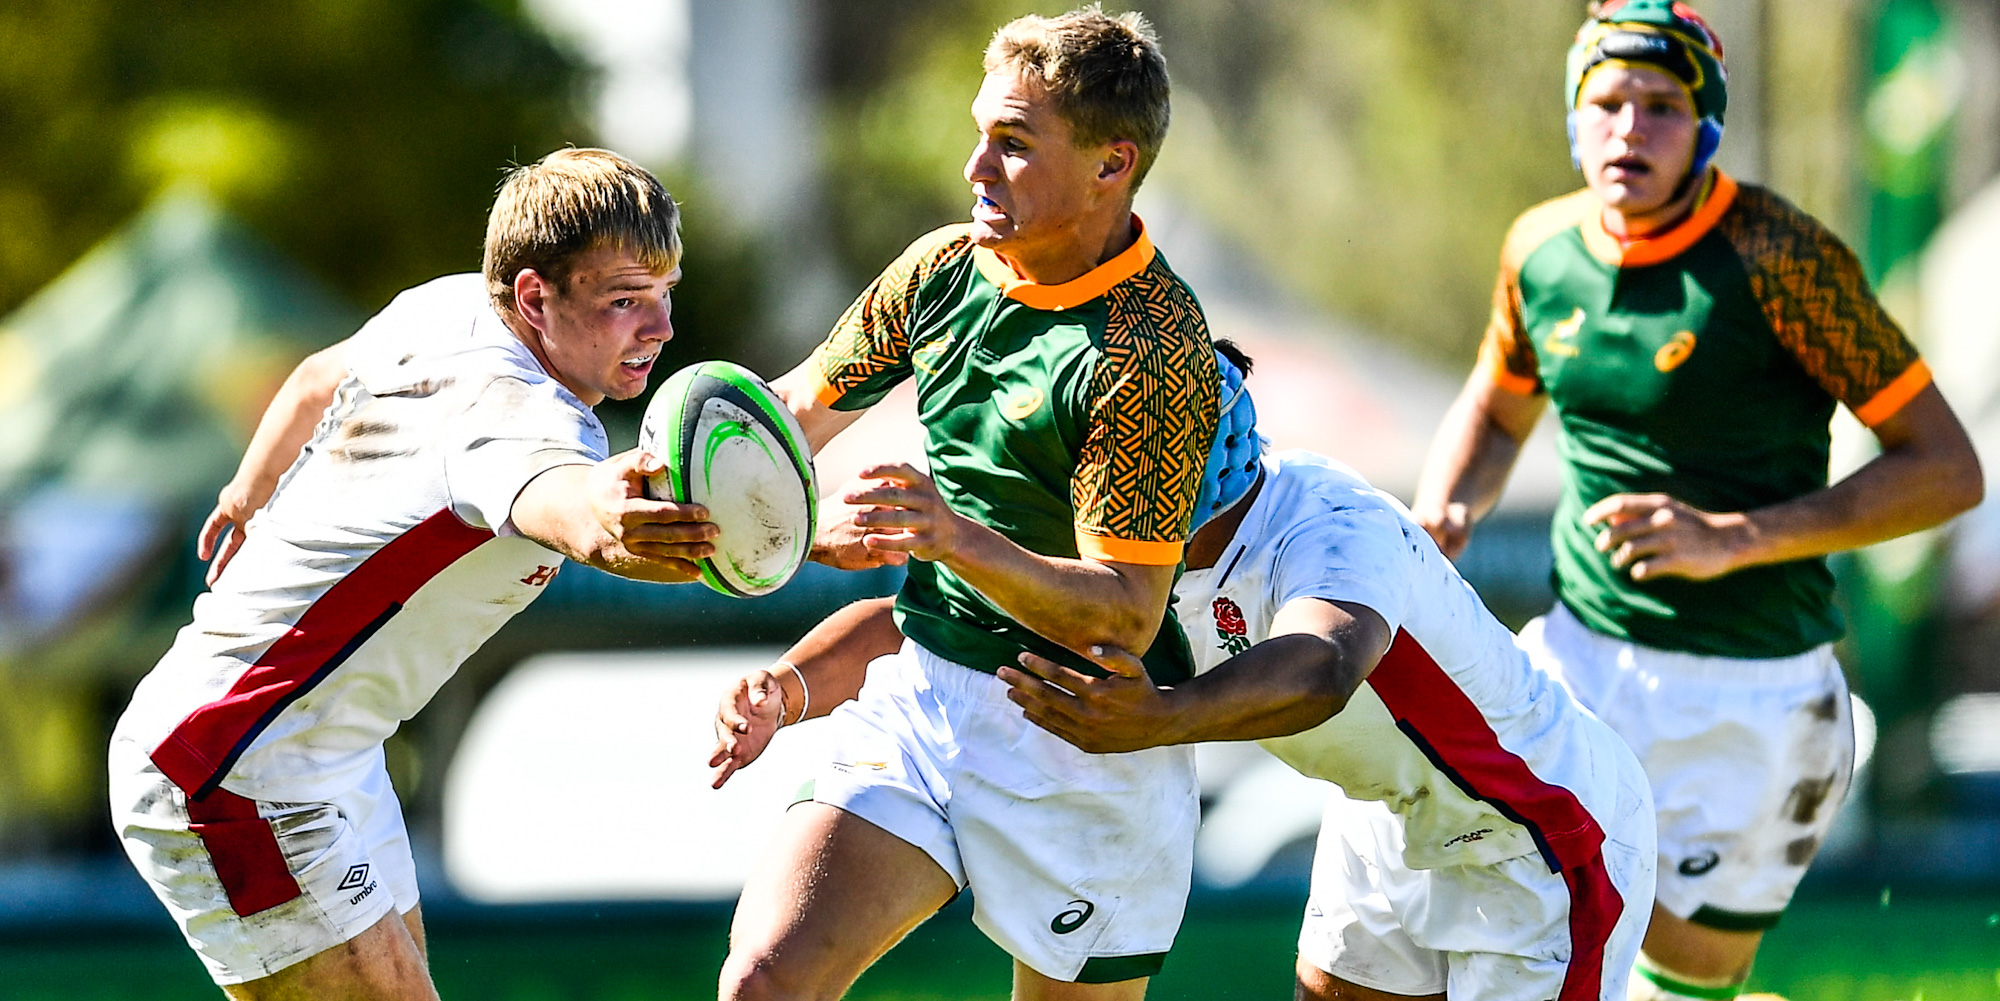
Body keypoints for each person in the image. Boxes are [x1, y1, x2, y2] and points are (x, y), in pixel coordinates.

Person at [717, 348, 1659, 1001]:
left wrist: (1158, 716)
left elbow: (1322, 666)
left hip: (1536, 828)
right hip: (1384, 814)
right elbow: (925, 625)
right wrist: (789, 688)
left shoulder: (1329, 520)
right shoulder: (1114, 550)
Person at [1411, 3, 1984, 999]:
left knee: (1682, 975)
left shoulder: (1782, 260)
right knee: (1521, 923)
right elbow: (1496, 410)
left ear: (1705, 125)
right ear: (1572, 116)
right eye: (1607, 102)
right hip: (1580, 657)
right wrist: (1444, 510)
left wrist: (1735, 537)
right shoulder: (1539, 249)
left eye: (1662, 106)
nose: (1629, 128)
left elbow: (1943, 466)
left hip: (1753, 692)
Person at [109, 147, 719, 999]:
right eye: (625, 300)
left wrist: (246, 494)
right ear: (536, 297)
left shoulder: (453, 304)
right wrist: (662, 529)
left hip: (328, 755)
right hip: (230, 768)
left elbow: (319, 377)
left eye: (665, 293)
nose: (660, 328)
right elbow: (574, 511)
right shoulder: (523, 417)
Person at [718, 9, 1219, 1001]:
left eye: (1013, 143)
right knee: (765, 980)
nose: (973, 167)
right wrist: (689, 467)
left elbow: (1124, 611)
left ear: (1111, 164)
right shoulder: (942, 271)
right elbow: (787, 418)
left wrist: (948, 535)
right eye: (980, 131)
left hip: (1083, 739)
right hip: (923, 698)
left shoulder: (1150, 350)